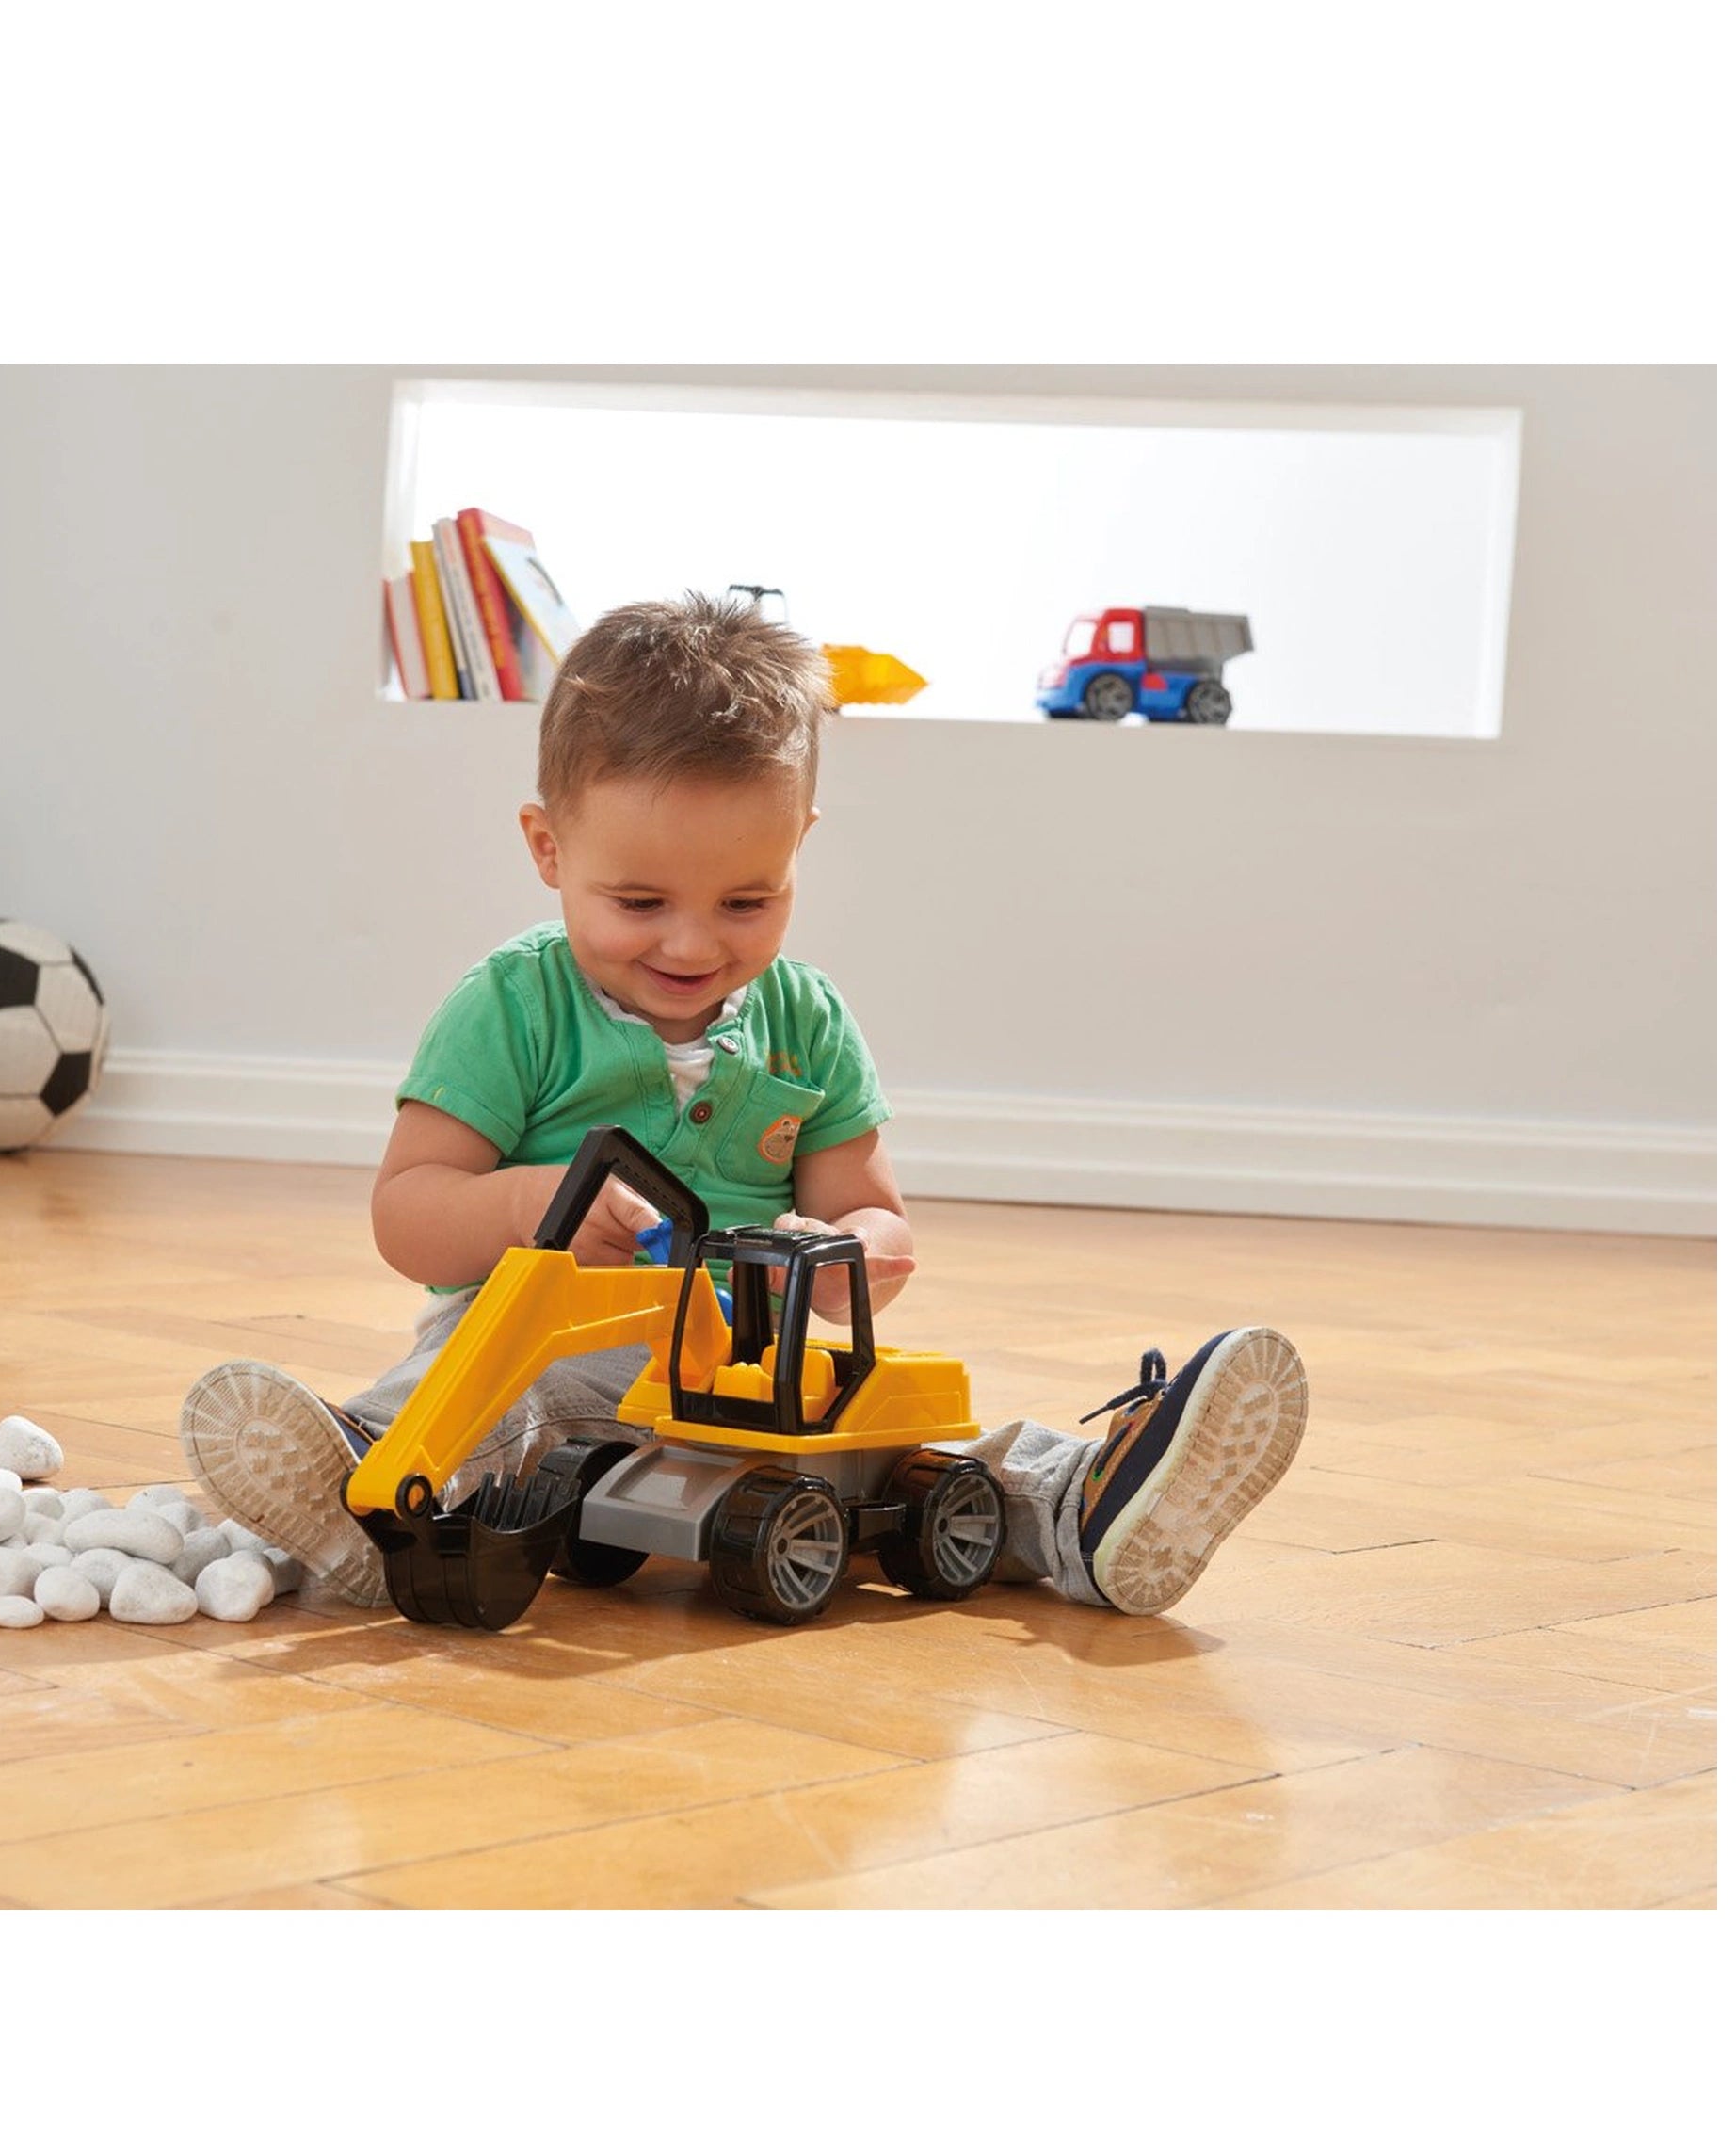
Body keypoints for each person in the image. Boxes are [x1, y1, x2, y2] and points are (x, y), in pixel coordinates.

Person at [180, 592, 1307, 1616]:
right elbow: (407, 1214)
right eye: (639, 902)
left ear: (798, 849)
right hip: (556, 1339)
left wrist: (856, 1251)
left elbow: (872, 1211)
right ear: (547, 848)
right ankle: (372, 1481)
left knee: (910, 1439)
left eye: (745, 902)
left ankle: (1083, 1504)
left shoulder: (807, 1020)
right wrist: (533, 1204)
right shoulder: (511, 1006)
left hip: (748, 1371)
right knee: (518, 1390)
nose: (691, 943)